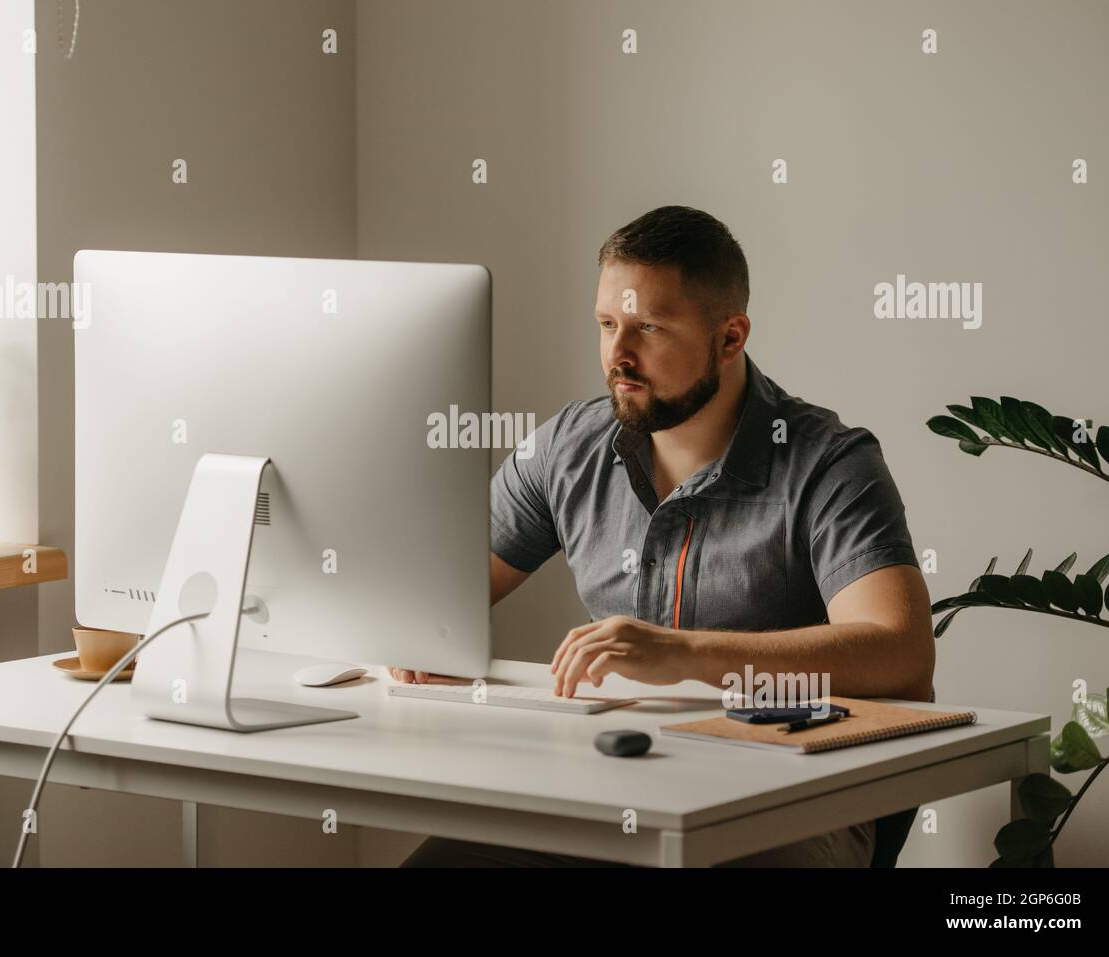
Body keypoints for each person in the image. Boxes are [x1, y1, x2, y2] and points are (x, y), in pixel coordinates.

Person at [394, 205, 934, 867]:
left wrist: (683, 653)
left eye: (648, 327)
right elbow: (443, 590)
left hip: (795, 797)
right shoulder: (569, 445)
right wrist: (421, 631)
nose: (618, 355)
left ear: (730, 337)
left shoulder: (829, 462)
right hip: (619, 784)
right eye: (606, 324)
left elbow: (899, 650)